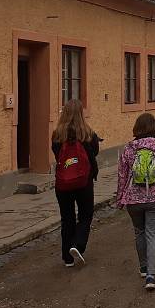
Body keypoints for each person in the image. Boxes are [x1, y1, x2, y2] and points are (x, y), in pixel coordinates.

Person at [117, 113, 155, 291]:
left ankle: (143, 267)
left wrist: (120, 199)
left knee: (139, 231)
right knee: (152, 234)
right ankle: (151, 275)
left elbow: (122, 176)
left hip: (133, 199)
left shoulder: (128, 149)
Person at [51, 99, 100, 268]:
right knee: (86, 214)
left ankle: (67, 257)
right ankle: (77, 244)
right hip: (83, 181)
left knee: (67, 218)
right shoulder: (88, 133)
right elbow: (95, 152)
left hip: (63, 182)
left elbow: (57, 155)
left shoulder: (57, 134)